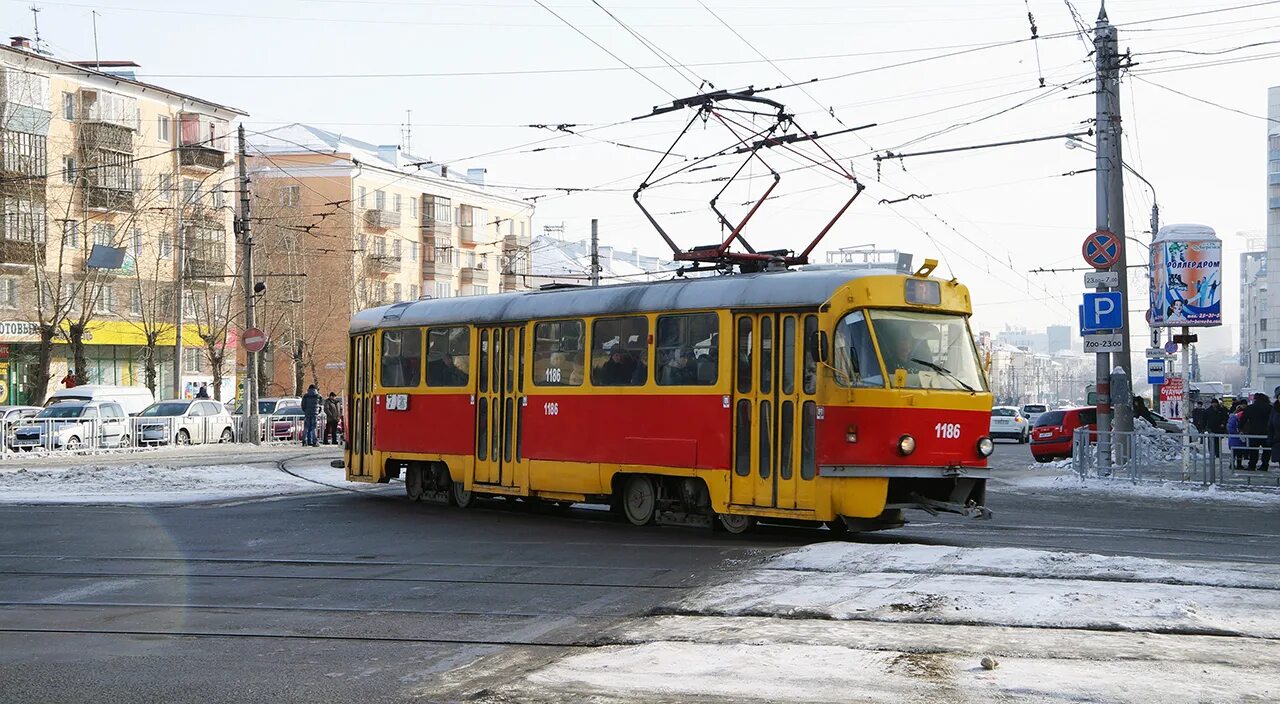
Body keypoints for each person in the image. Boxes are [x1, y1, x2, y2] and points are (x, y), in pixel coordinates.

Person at [1241, 392, 1272, 471]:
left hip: (1254, 432)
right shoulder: (1270, 408)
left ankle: (1252, 465)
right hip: (1267, 432)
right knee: (1266, 450)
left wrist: (1240, 428)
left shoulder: (1250, 408)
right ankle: (1264, 465)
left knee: (1253, 450)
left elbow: (1243, 418)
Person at [1227, 402, 1246, 470]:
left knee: (1238, 452)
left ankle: (1237, 464)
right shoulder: (1235, 418)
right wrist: (1238, 432)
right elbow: (1230, 428)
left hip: (1236, 438)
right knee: (1235, 452)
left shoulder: (1233, 418)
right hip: (1236, 438)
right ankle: (1235, 464)